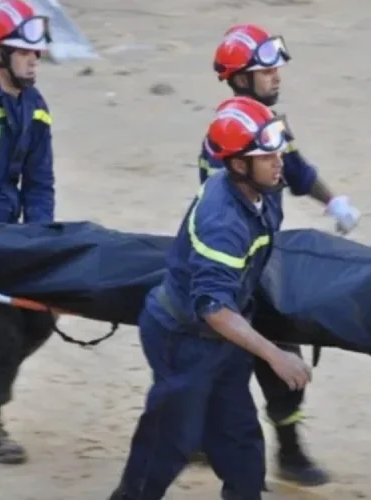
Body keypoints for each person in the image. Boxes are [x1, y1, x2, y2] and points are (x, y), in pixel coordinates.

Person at [109, 96, 314, 500]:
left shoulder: (264, 186)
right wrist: (275, 354)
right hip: (184, 341)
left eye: (277, 152)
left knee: (241, 444)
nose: (279, 162)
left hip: (224, 340)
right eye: (267, 156)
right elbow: (214, 309)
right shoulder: (222, 221)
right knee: (169, 442)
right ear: (239, 165)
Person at [194, 23, 363, 486]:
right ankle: (225, 446)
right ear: (241, 78)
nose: (276, 76)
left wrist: (333, 200)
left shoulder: (267, 127)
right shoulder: (229, 136)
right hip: (234, 269)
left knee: (272, 360)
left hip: (261, 262)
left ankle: (284, 450)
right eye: (265, 70)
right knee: (241, 361)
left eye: (275, 68)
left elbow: (298, 170)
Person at [0, 0, 57, 465]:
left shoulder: (35, 108)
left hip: (9, 239)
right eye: (26, 52)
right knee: (1, 337)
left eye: (37, 54)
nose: (34, 61)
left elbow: (40, 182)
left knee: (40, 321)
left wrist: (39, 240)